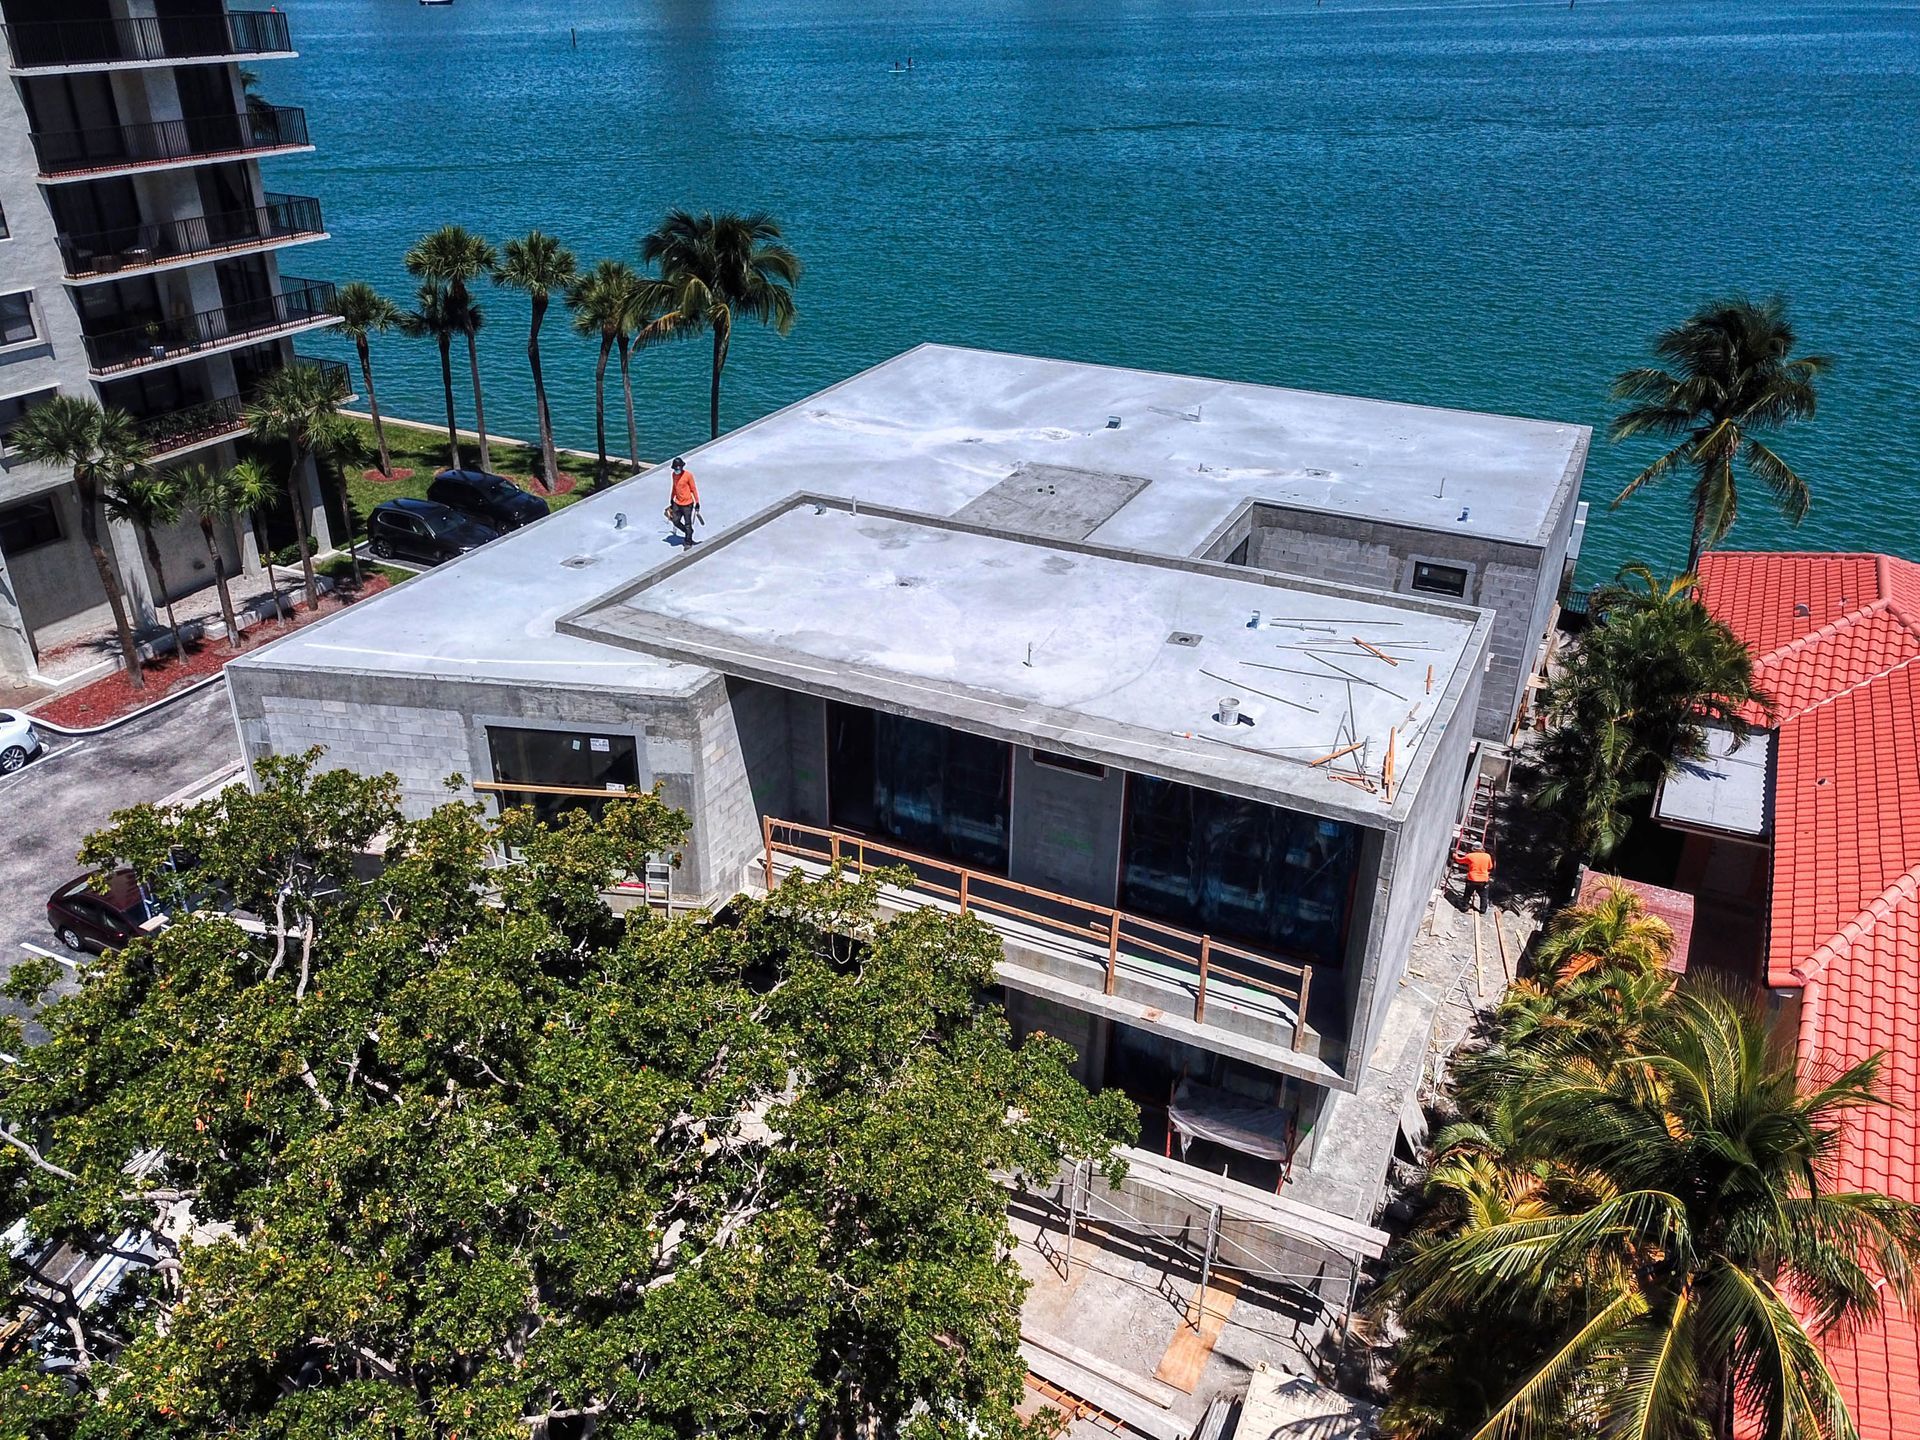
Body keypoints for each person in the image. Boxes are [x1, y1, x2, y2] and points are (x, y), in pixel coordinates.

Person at [665, 457, 700, 546]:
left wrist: (697, 502)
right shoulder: (673, 475)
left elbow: (693, 489)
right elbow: (674, 487)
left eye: (678, 468)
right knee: (675, 520)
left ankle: (688, 542)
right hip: (677, 502)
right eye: (675, 469)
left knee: (688, 523)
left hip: (688, 504)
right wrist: (672, 498)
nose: (677, 470)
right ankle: (688, 532)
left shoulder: (688, 475)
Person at [1457, 845, 1494, 913]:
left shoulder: (1470, 856)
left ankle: (1465, 907)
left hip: (1472, 879)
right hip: (1483, 880)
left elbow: (1459, 860)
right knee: (1484, 896)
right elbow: (1490, 867)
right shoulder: (1487, 856)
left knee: (1467, 894)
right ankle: (1483, 909)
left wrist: (1454, 855)